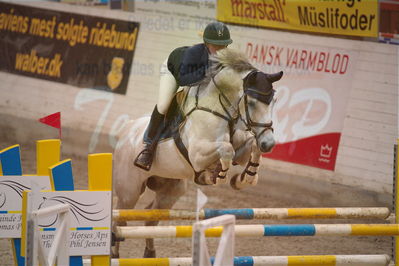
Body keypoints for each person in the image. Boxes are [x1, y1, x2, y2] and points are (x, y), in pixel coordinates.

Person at [134, 21, 233, 171]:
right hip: (174, 72)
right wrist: (207, 71)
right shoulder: (193, 53)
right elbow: (183, 80)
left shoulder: (227, 59)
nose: (219, 50)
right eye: (215, 46)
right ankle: (148, 146)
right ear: (206, 43)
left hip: (195, 80)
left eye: (223, 46)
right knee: (164, 105)